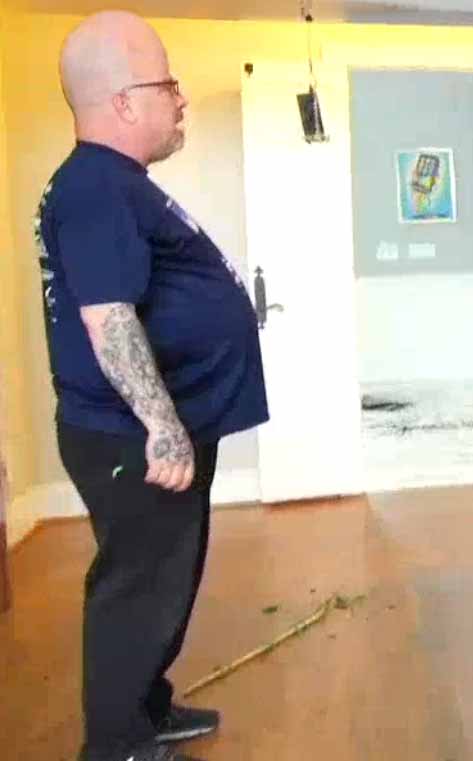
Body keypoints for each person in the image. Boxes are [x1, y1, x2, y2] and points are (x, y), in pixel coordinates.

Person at [34, 10, 269, 761]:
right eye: (167, 85)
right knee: (137, 589)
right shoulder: (97, 186)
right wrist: (163, 428)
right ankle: (116, 744)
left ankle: (146, 710)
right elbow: (108, 318)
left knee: (166, 581)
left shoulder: (113, 185)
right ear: (124, 102)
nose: (180, 98)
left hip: (151, 426)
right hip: (132, 436)